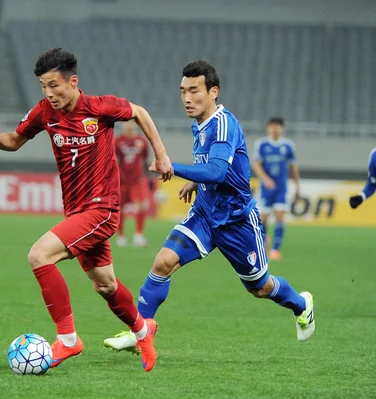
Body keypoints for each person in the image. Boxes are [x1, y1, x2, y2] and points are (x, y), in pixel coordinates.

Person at [0, 48, 173, 372]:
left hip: (102, 210)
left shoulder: (99, 108)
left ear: (73, 81)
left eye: (54, 85)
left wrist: (162, 155)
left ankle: (68, 340)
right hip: (77, 213)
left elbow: (139, 112)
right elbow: (14, 141)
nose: (49, 93)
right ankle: (143, 331)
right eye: (43, 86)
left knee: (39, 256)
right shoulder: (45, 112)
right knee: (106, 285)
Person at [103, 60, 315, 354]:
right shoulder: (199, 124)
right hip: (204, 214)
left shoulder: (225, 124)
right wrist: (195, 183)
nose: (187, 98)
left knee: (259, 287)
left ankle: (302, 304)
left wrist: (172, 167)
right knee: (163, 263)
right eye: (183, 91)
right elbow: (214, 168)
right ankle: (140, 332)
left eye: (194, 91)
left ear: (213, 91)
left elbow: (216, 171)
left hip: (237, 221)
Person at [251, 118, 300, 260]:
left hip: (281, 188)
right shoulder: (262, 144)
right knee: (263, 219)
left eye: (277, 127)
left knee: (280, 216)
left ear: (282, 129)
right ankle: (263, 245)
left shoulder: (288, 146)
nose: (275, 129)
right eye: (272, 126)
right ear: (268, 128)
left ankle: (275, 250)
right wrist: (265, 179)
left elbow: (293, 167)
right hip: (266, 189)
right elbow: (256, 164)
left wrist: (297, 185)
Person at [114, 121, 150, 247]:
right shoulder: (117, 141)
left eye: (131, 123)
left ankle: (138, 235)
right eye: (126, 123)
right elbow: (114, 161)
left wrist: (147, 176)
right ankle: (121, 236)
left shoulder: (142, 141)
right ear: (123, 125)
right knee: (119, 208)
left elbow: (145, 160)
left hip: (137, 180)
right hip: (122, 180)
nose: (129, 125)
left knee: (141, 206)